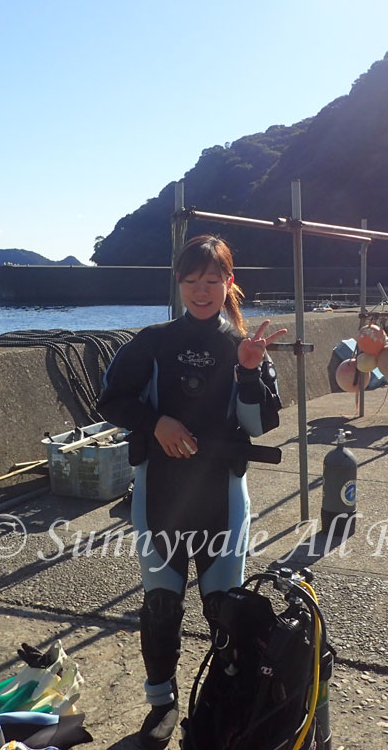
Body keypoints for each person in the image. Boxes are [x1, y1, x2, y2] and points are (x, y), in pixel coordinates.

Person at [97, 234, 286, 749]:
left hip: (222, 495)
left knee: (226, 607)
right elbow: (110, 399)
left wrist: (249, 370)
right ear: (179, 283)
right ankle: (161, 702)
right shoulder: (152, 342)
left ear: (229, 283)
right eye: (191, 280)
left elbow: (261, 422)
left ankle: (224, 701)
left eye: (212, 279)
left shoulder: (245, 345)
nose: (202, 290)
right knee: (161, 603)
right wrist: (156, 422)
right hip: (159, 491)